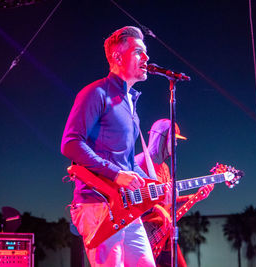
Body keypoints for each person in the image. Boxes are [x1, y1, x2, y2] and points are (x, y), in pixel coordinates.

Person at [61, 26, 157, 266]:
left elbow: (125, 162)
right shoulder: (96, 93)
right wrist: (115, 174)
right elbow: (70, 143)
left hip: (126, 207)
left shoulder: (131, 105)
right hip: (96, 203)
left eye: (145, 52)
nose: (146, 58)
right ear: (117, 57)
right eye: (138, 52)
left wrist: (151, 182)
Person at [135, 119, 214, 267]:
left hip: (164, 234)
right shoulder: (139, 163)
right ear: (162, 138)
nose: (176, 145)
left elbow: (171, 202)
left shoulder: (165, 168)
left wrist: (195, 197)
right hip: (144, 235)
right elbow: (131, 203)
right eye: (174, 140)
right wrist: (157, 209)